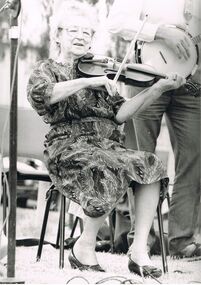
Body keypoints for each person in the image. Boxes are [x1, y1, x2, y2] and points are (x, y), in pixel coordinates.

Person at [27, 0, 184, 277]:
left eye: (87, 33)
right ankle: (83, 247)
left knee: (150, 164)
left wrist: (157, 89)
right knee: (104, 163)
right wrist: (88, 82)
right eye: (74, 30)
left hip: (107, 145)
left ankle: (138, 251)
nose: (81, 37)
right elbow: (45, 95)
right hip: (68, 147)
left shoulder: (101, 72)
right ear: (59, 35)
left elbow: (121, 114)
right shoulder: (47, 69)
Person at [107, 0, 201, 258]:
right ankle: (141, 239)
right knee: (139, 157)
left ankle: (181, 241)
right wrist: (160, 31)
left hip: (193, 84)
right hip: (146, 76)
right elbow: (115, 22)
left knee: (194, 159)